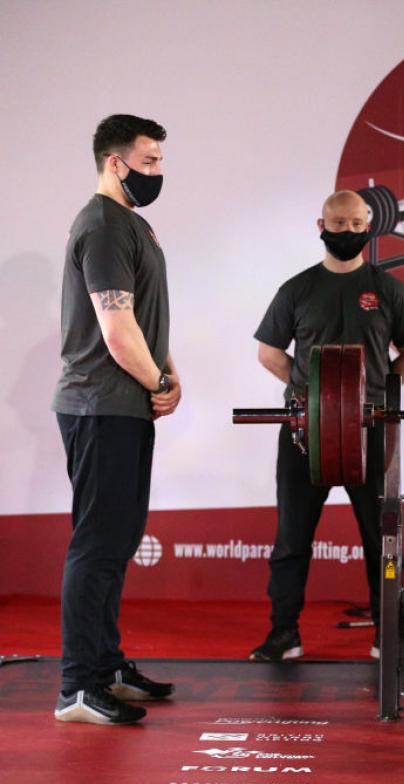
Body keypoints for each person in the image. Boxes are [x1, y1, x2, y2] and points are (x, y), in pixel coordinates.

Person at [250, 191, 404, 660]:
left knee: (381, 538)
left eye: (355, 224)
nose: (346, 231)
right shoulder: (297, 289)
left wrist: (380, 391)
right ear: (320, 225)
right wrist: (315, 391)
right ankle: (283, 634)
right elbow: (268, 353)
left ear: (368, 229)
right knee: (292, 538)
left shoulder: (389, 290)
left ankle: (386, 634)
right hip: (305, 432)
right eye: (338, 223)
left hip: (369, 431)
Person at [51, 114, 180, 725]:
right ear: (115, 162)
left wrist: (166, 371)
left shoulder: (132, 223)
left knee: (118, 540)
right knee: (98, 544)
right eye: (149, 162)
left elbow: (147, 315)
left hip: (123, 404)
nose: (158, 172)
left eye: (159, 161)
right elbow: (115, 325)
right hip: (100, 403)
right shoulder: (103, 226)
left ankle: (105, 665)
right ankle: (79, 687)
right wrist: (157, 379)